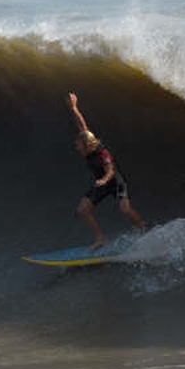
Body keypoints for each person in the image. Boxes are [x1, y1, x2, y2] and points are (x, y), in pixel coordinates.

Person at [66, 92, 145, 251]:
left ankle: (144, 229)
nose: (77, 147)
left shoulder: (102, 154)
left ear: (88, 146)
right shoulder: (87, 141)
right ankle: (101, 238)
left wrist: (104, 180)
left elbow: (110, 170)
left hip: (115, 182)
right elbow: (83, 126)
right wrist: (74, 107)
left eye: (79, 146)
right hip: (102, 183)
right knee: (82, 210)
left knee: (125, 209)